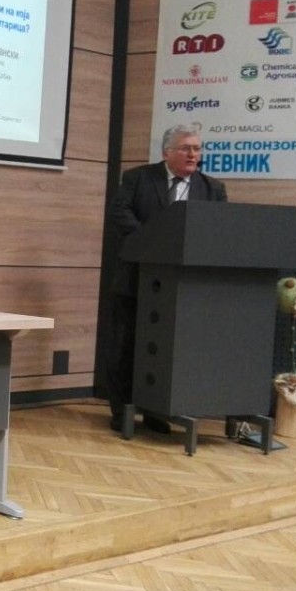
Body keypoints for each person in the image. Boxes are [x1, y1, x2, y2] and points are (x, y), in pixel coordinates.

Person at [107, 123, 227, 433]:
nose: (193, 154)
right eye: (186, 148)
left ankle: (156, 412)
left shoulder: (212, 189)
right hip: (137, 280)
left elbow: (218, 230)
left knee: (165, 350)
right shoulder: (137, 178)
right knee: (126, 348)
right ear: (167, 152)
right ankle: (121, 412)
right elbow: (120, 213)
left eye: (197, 148)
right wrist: (153, 242)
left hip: (182, 288)